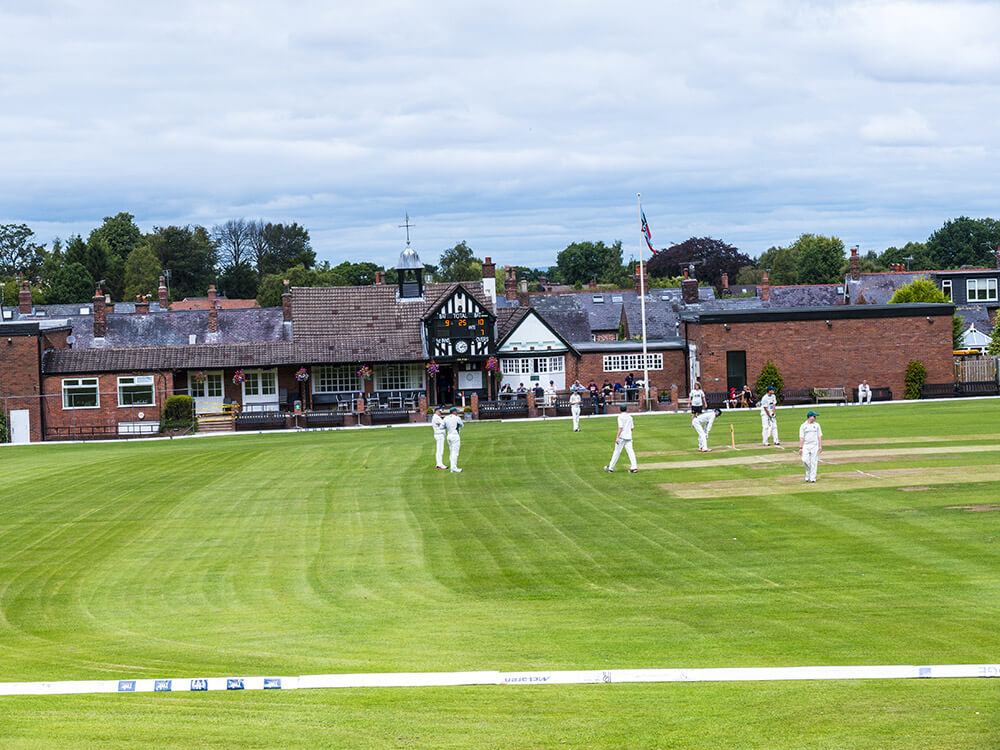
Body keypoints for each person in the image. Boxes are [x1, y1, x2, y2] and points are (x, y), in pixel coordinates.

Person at [604, 404, 638, 473]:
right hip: (628, 437)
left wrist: (617, 437)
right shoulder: (630, 417)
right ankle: (634, 467)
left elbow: (620, 428)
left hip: (622, 437)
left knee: (616, 452)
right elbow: (632, 428)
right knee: (631, 452)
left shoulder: (620, 417)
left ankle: (610, 468)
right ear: (626, 409)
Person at [798, 410, 823, 482]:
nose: (815, 418)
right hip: (806, 445)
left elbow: (819, 436)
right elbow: (801, 437)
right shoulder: (803, 426)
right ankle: (808, 472)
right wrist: (800, 448)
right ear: (809, 417)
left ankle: (812, 478)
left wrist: (820, 446)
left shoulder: (817, 425)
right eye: (813, 416)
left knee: (814, 462)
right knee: (804, 460)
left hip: (814, 445)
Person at [443, 406, 464, 473]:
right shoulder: (457, 418)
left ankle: (452, 467)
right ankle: (454, 467)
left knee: (452, 452)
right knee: (455, 453)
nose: (457, 412)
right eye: (456, 411)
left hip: (449, 435)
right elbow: (462, 425)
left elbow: (442, 426)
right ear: (454, 412)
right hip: (455, 435)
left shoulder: (446, 418)